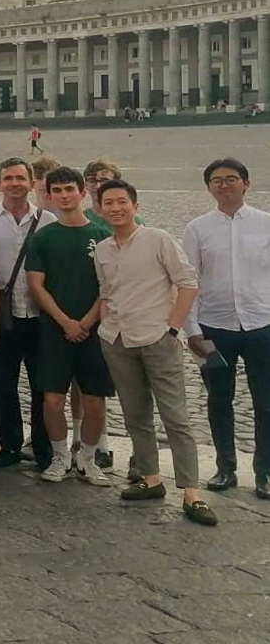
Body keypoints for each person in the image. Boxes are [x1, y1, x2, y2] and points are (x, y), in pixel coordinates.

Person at [93, 180, 213, 525]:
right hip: (117, 338)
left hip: (156, 336)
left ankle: (191, 492)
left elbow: (187, 282)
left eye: (122, 202)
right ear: (100, 208)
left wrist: (173, 327)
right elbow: (106, 292)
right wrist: (105, 326)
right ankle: (151, 478)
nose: (116, 208)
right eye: (109, 203)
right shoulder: (102, 249)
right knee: (135, 414)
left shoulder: (157, 238)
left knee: (175, 416)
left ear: (135, 205)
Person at [182, 158, 270, 498]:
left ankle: (264, 471)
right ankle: (225, 467)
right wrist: (192, 329)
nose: (224, 185)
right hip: (214, 326)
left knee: (266, 403)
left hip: (262, 324)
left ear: (246, 184)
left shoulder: (265, 223)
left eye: (231, 179)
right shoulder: (198, 229)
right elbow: (189, 280)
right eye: (217, 180)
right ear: (209, 188)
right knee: (219, 399)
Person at [26, 166, 114, 486]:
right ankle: (61, 455)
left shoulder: (102, 236)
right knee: (52, 398)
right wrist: (65, 321)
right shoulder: (44, 237)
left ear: (82, 192)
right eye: (57, 191)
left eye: (69, 189)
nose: (64, 196)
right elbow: (36, 285)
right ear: (49, 196)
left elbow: (110, 286)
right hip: (54, 329)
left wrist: (87, 321)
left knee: (94, 398)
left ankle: (88, 457)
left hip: (95, 329)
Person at [0, 159, 55, 470]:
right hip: (2, 315)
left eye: (21, 177)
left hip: (38, 314)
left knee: (41, 385)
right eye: (8, 178)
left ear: (33, 183)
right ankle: (8, 445)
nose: (15, 183)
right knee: (4, 384)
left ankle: (42, 447)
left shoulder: (47, 220)